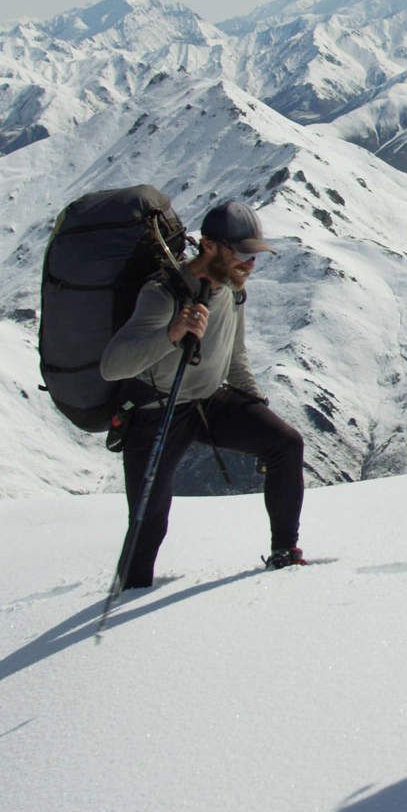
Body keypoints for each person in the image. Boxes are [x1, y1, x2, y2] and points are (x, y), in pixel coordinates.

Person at [102, 200, 308, 584]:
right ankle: (131, 589)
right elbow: (112, 366)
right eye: (242, 254)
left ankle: (284, 552)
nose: (250, 264)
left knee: (285, 443)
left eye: (253, 255)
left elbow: (234, 354)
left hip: (210, 400)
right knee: (149, 517)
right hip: (155, 409)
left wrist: (255, 407)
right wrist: (172, 335)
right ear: (209, 246)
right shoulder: (163, 293)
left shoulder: (232, 290)